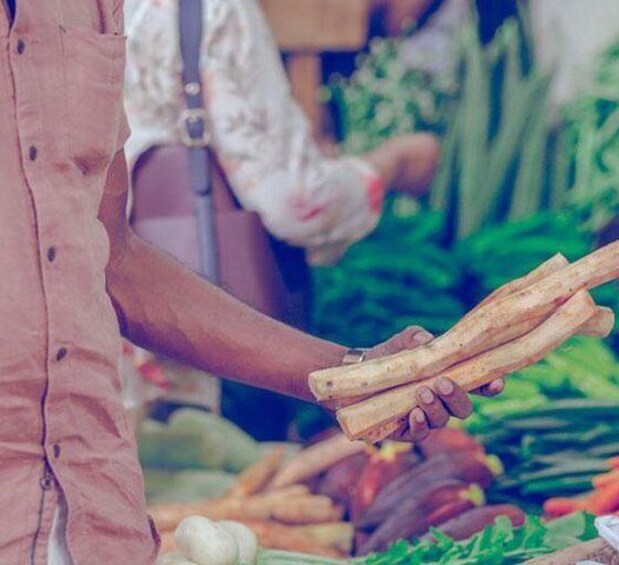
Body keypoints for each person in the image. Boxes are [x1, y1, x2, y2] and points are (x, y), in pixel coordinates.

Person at [0, 1, 502, 563]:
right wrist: (394, 164)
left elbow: (111, 258)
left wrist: (347, 374)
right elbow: (295, 201)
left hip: (97, 516)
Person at [123, 0, 445, 439]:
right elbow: (296, 203)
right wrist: (394, 164)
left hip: (100, 350)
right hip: (201, 359)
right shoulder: (215, 11)